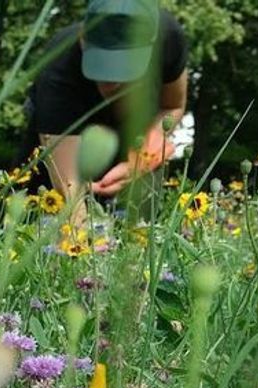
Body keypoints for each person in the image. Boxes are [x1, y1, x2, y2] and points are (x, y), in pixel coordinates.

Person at [21, 0, 188, 224]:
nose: (109, 83)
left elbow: (172, 107)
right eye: (101, 64)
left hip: (133, 130)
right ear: (82, 38)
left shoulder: (169, 38)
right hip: (62, 133)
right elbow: (69, 189)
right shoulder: (59, 65)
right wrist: (84, 246)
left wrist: (139, 160)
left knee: (139, 224)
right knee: (32, 220)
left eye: (122, 69)